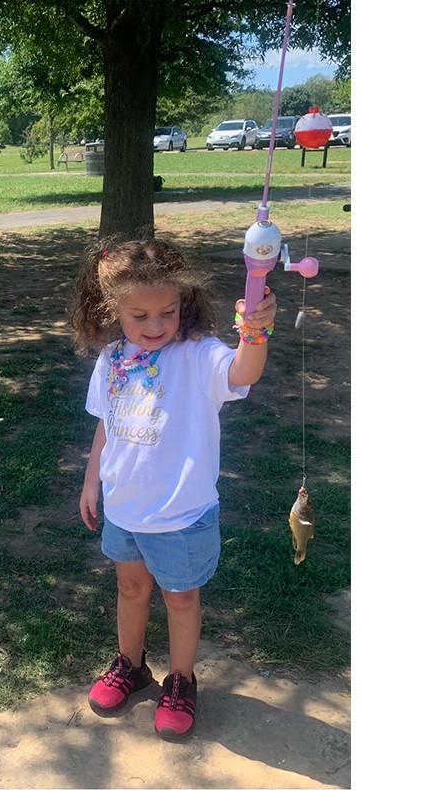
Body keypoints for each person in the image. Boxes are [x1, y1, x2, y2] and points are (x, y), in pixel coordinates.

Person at [70, 238, 277, 741]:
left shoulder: (199, 355)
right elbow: (106, 423)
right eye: (139, 315)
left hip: (182, 515)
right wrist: (91, 477)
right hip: (125, 508)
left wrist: (256, 330)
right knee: (130, 588)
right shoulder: (113, 359)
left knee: (181, 599)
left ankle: (181, 681)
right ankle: (131, 666)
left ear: (184, 303)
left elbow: (243, 370)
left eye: (168, 310)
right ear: (111, 308)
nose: (156, 325)